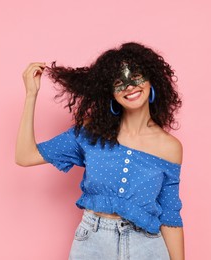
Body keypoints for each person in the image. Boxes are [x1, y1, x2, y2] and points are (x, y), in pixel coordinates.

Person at [16, 42, 185, 260]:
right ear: (110, 93)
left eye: (136, 76)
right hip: (92, 244)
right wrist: (31, 95)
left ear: (152, 79)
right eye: (118, 82)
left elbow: (170, 216)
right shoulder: (91, 133)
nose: (129, 86)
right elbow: (25, 155)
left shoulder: (170, 147)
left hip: (147, 247)